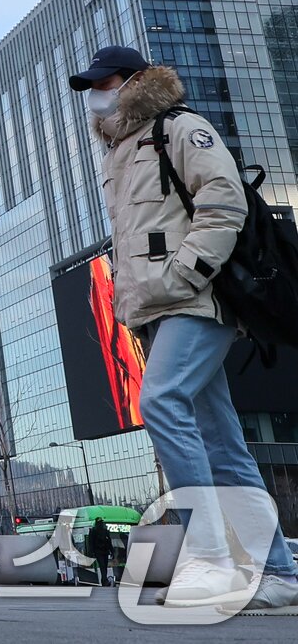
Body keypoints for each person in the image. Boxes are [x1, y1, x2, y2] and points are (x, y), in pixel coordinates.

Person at [70, 45, 298, 610]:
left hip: (196, 301)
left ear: (138, 81)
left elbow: (223, 202)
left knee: (162, 401)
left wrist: (187, 272)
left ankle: (212, 558)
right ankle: (280, 574)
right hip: (154, 308)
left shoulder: (181, 127)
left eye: (109, 82)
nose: (99, 93)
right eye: (93, 86)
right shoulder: (122, 151)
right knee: (222, 443)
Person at [86, 518, 113, 587]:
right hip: (98, 552)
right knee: (102, 565)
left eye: (101, 522)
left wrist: (112, 551)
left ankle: (104, 580)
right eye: (100, 522)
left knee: (104, 566)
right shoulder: (93, 531)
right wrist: (91, 553)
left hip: (105, 551)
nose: (101, 524)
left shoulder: (105, 531)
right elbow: (91, 543)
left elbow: (109, 542)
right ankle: (105, 580)